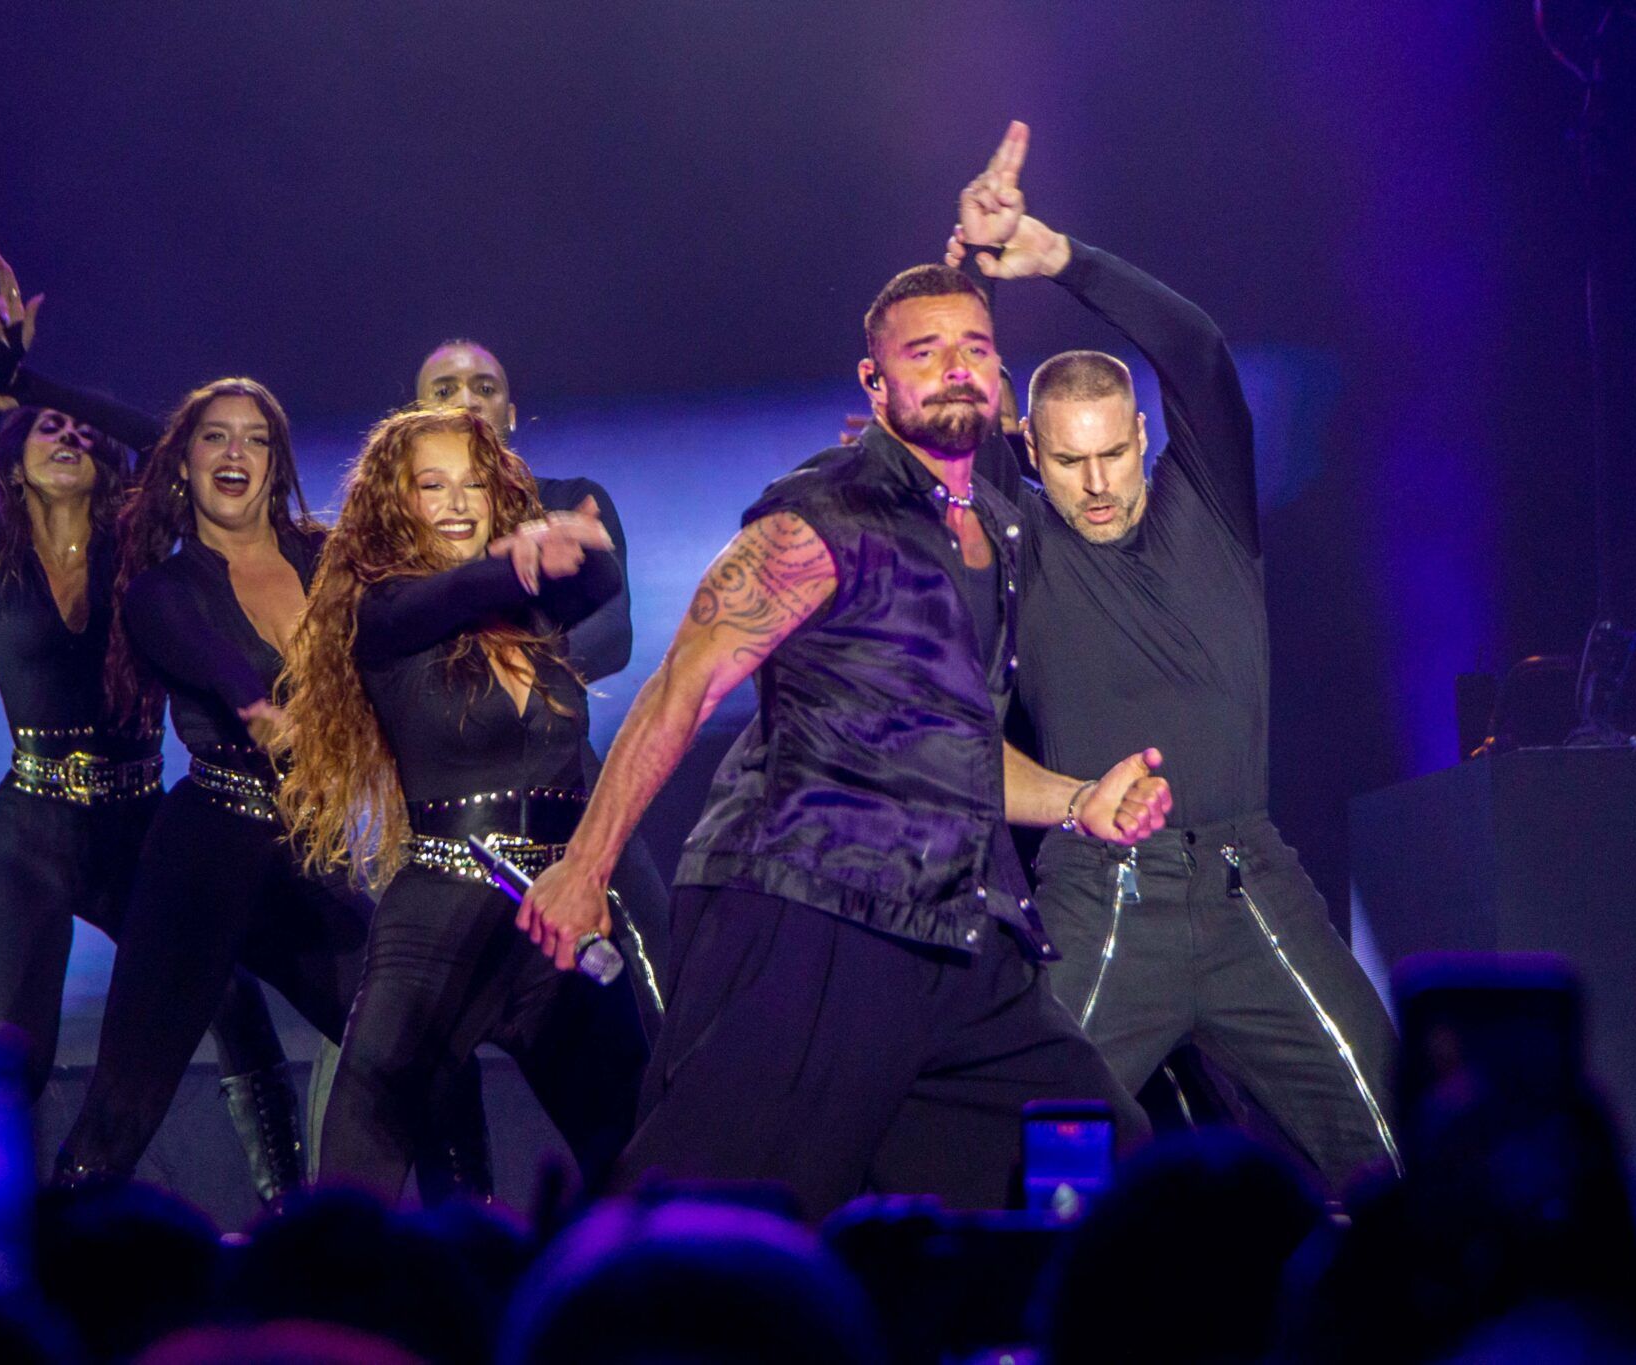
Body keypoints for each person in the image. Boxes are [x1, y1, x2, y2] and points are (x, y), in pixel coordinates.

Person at [518, 260, 1171, 1220]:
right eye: (925, 351)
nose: (955, 368)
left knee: (1099, 1171)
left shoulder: (997, 525)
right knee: (715, 1228)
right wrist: (586, 866)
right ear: (876, 384)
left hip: (962, 939)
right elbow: (682, 687)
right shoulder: (820, 518)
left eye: (975, 349)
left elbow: (950, 745)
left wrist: (1077, 800)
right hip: (814, 922)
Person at [947, 121, 1400, 1191]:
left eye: (1113, 453)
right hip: (1099, 898)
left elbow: (1195, 352)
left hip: (1253, 888)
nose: (1096, 483)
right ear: (1031, 453)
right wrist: (973, 269)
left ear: (1143, 440)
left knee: (1393, 1145)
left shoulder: (1214, 510)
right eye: (1068, 461)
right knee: (1035, 1171)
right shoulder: (1020, 535)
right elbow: (956, 403)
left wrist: (1059, 259)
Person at [0, 255, 290, 1186]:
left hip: (138, 821)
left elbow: (173, 442)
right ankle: (11, 1242)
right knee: (10, 1059)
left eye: (79, 431)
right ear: (13, 467)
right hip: (28, 830)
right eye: (43, 429)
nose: (65, 434)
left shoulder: (140, 549)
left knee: (231, 998)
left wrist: (49, 386)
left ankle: (287, 1212)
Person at [277, 408, 649, 1205]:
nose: (456, 501)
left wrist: (574, 547)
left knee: (640, 1155)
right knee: (356, 1184)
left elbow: (604, 582)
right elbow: (446, 595)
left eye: (474, 483)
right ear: (396, 503)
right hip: (438, 920)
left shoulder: (537, 615)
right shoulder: (382, 614)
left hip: (555, 916)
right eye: (432, 485)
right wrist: (516, 560)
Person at [41, 373, 369, 1204]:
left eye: (255, 438)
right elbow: (214, 660)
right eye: (214, 436)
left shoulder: (325, 559)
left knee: (405, 1050)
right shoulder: (163, 591)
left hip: (299, 856)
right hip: (203, 852)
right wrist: (261, 709)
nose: (235, 452)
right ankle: (55, 1284)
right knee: (122, 1110)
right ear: (182, 464)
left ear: (276, 462)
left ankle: (465, 1270)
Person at [413, 340, 672, 990]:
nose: (466, 399)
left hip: (562, 781)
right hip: (431, 799)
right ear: (412, 416)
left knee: (654, 962)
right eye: (444, 389)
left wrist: (500, 689)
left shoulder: (569, 502)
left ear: (512, 413)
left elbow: (612, 633)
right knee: (390, 1004)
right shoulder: (390, 535)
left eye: (484, 387)